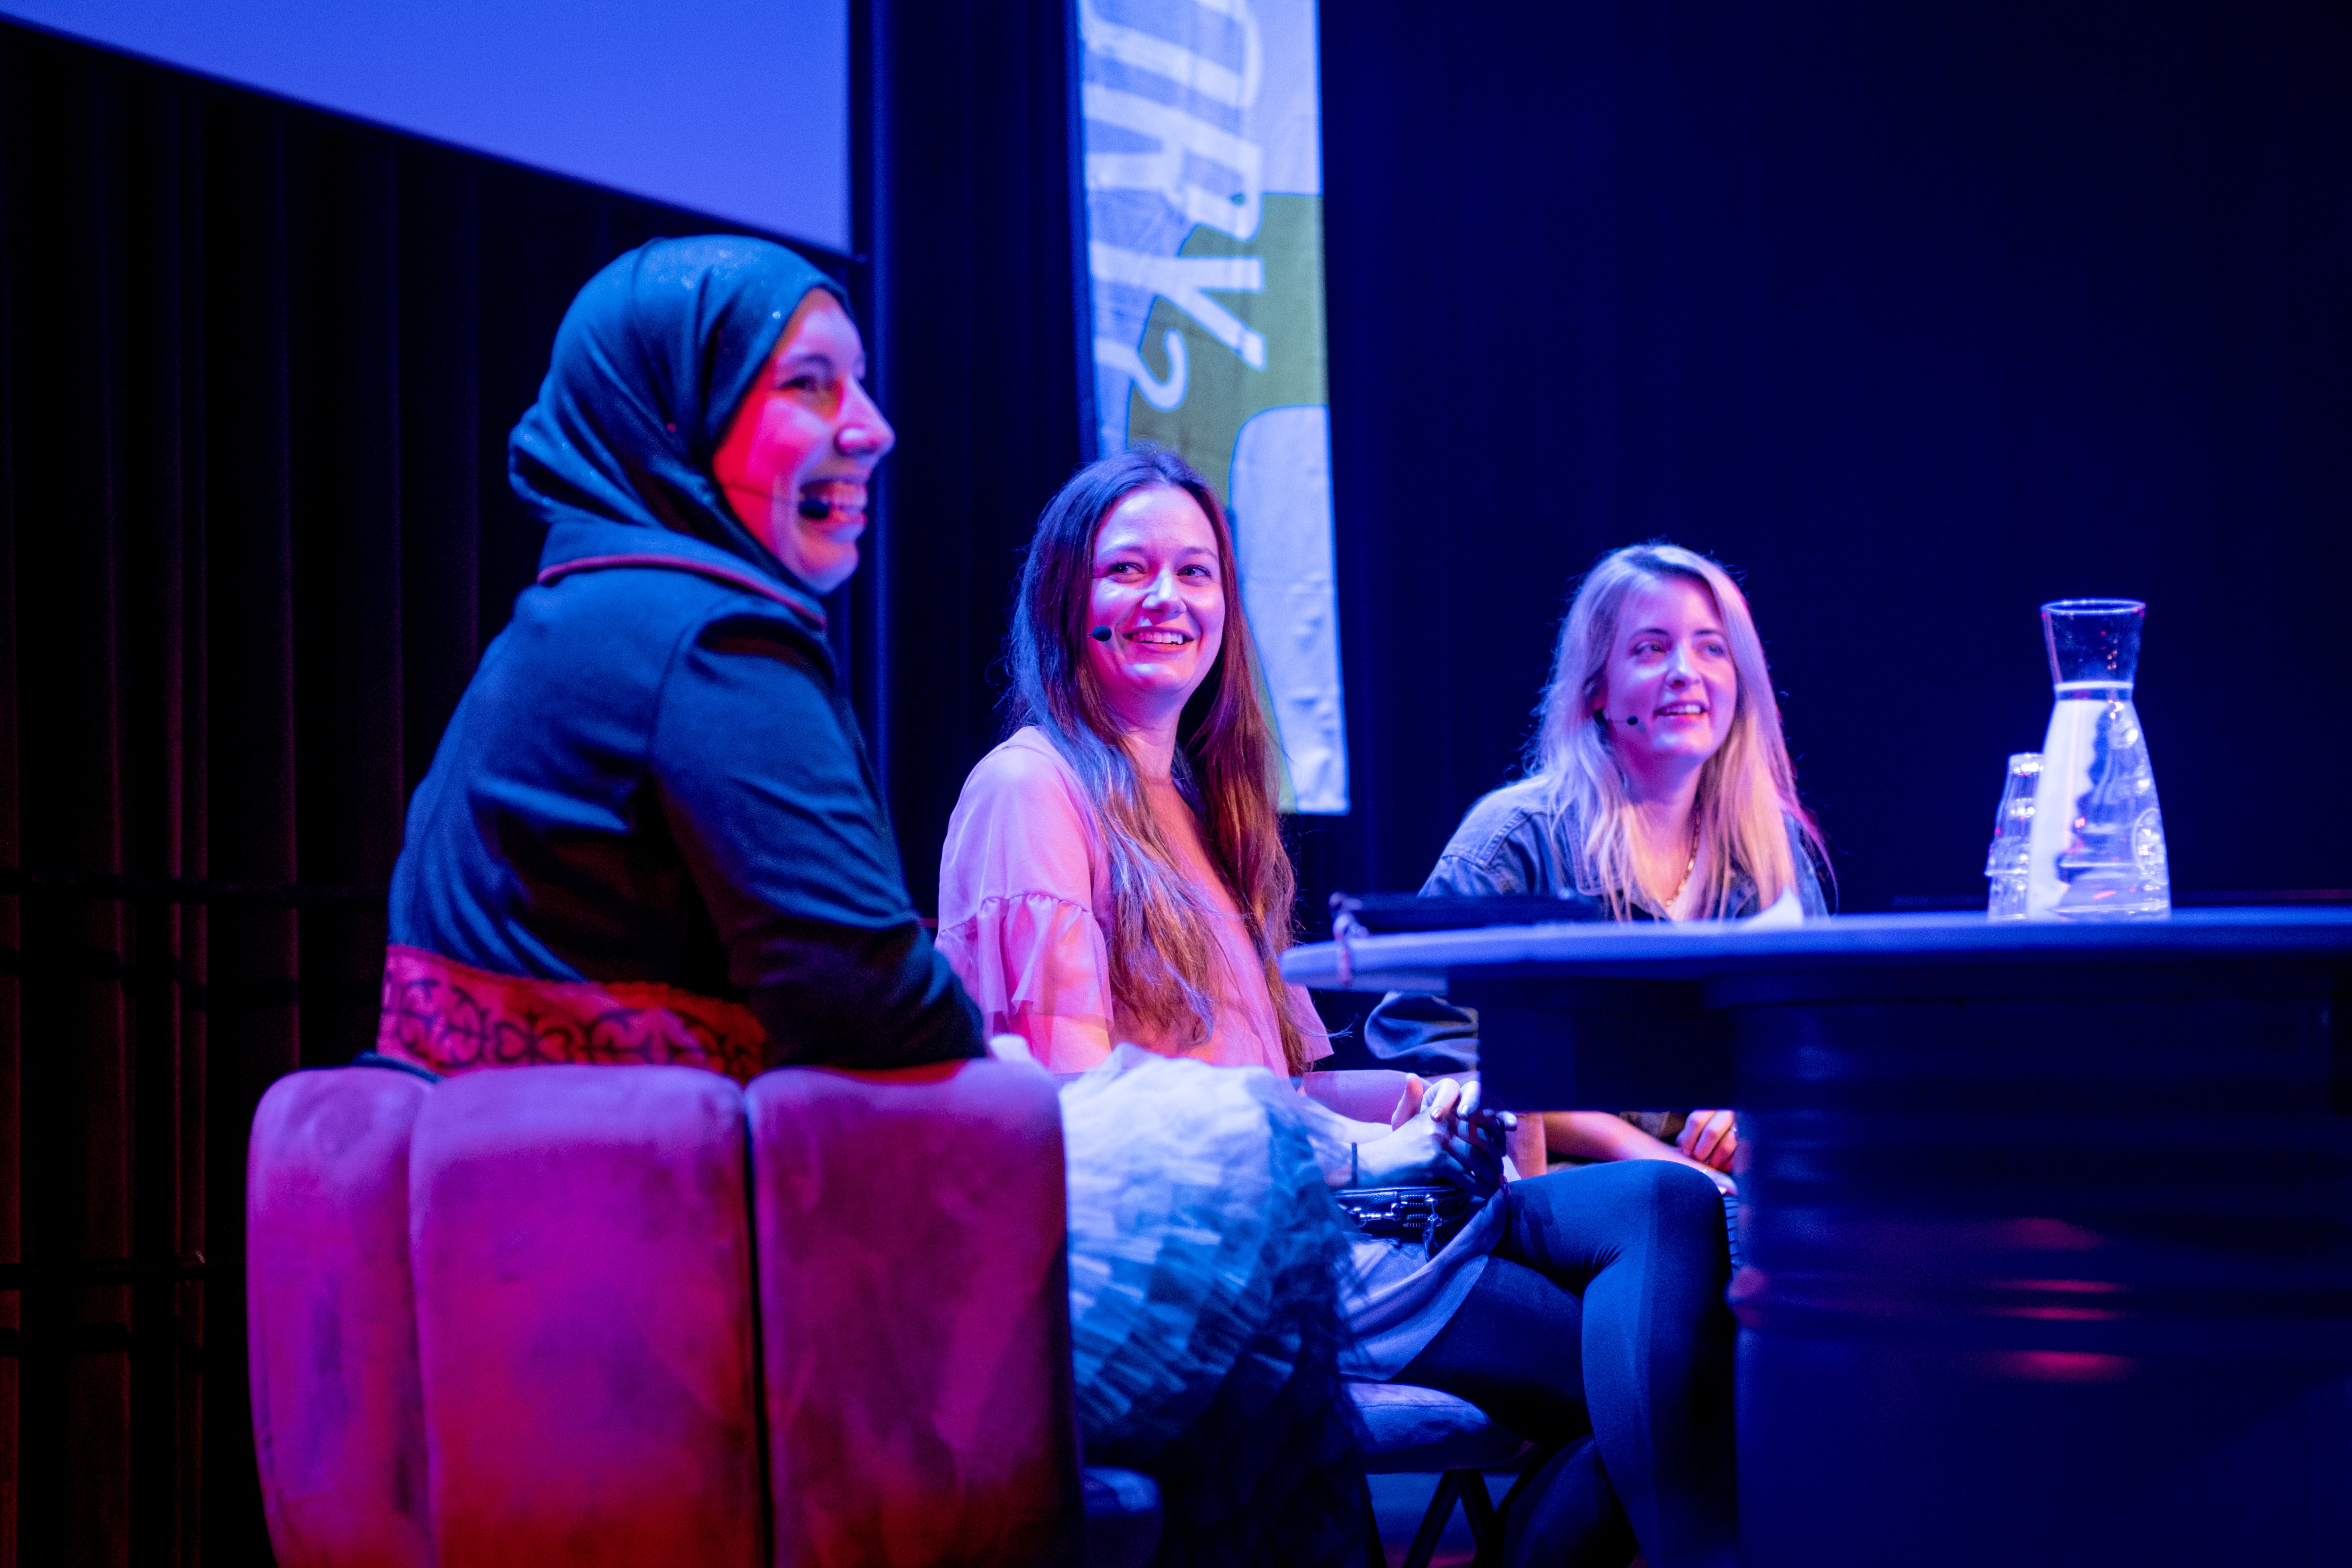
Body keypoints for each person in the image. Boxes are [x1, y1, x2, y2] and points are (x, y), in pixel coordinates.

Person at [940, 453, 1741, 1568]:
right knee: (1679, 1382)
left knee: (1667, 1210)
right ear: (1065, 596)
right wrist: (1363, 1155)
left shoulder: (1202, 808)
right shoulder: (1031, 788)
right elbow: (1087, 1121)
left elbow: (1291, 1083)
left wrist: (1427, 1099)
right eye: (1128, 570)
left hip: (1336, 1217)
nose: (1167, 598)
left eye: (1195, 572)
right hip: (1230, 1260)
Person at [378, 235, 981, 1080]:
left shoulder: (584, 612)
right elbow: (877, 1009)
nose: (873, 429)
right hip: (612, 1161)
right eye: (809, 383)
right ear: (672, 412)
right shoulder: (706, 636)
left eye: (858, 380)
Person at [1366, 541, 1830, 1188]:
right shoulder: (1517, 837)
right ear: (1596, 693)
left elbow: (1816, 1044)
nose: (1684, 672)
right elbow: (1427, 1041)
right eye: (1650, 648)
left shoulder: (1772, 850)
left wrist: (1747, 1108)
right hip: (1561, 1194)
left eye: (1711, 648)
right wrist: (1635, 1148)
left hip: (1735, 1193)